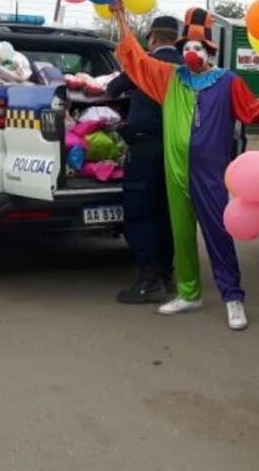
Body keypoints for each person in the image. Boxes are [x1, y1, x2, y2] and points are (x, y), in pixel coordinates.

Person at [112, 4, 259, 330]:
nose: (191, 52)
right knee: (181, 232)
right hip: (175, 169)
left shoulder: (226, 80)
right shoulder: (169, 77)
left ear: (209, 52)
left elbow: (251, 110)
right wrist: (121, 18)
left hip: (210, 172)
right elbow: (136, 58)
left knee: (218, 232)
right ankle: (189, 293)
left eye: (197, 47)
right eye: (187, 47)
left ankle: (233, 297)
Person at [106, 16, 183, 304]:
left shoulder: (147, 65)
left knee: (141, 212)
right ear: (175, 38)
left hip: (147, 149)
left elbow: (112, 90)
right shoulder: (188, 67)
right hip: (176, 152)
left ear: (152, 38)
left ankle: (147, 280)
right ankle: (167, 275)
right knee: (167, 213)